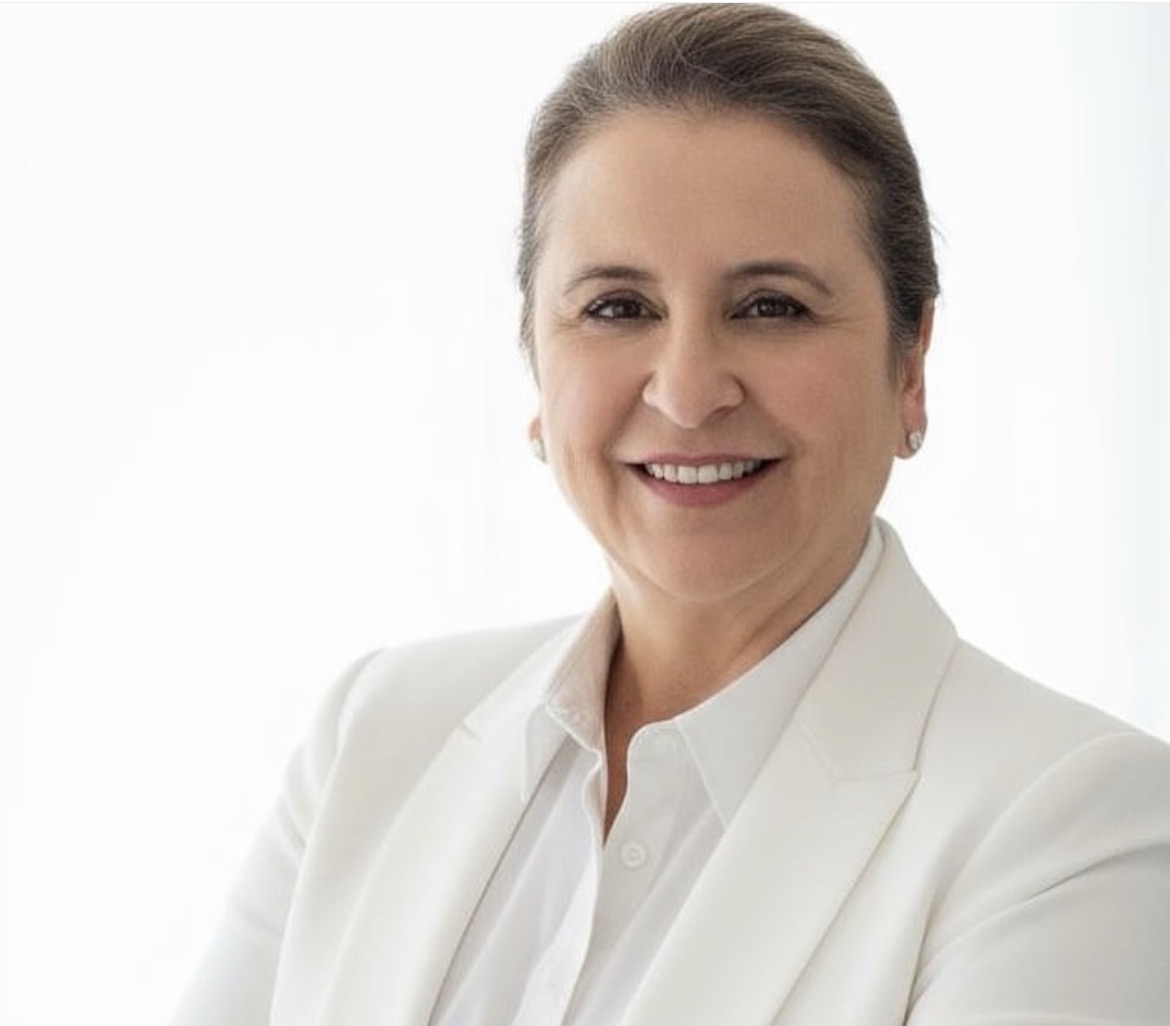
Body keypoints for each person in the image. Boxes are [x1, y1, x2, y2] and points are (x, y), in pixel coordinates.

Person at [171, 6, 1170, 1024]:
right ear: (536, 360)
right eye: (617, 307)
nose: (688, 393)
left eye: (771, 305)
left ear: (909, 365)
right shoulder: (375, 735)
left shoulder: (1078, 830)